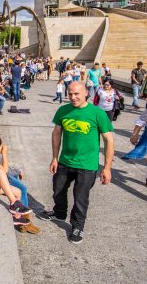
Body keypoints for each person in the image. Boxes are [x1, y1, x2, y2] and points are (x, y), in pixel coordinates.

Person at [39, 82, 114, 244]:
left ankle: (77, 226)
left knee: (80, 198)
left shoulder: (97, 113)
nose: (73, 97)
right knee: (58, 190)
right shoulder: (63, 110)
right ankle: (59, 213)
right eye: (70, 94)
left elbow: (109, 140)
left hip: (87, 165)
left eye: (77, 94)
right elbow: (56, 133)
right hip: (65, 161)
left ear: (86, 92)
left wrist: (107, 168)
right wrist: (54, 157)